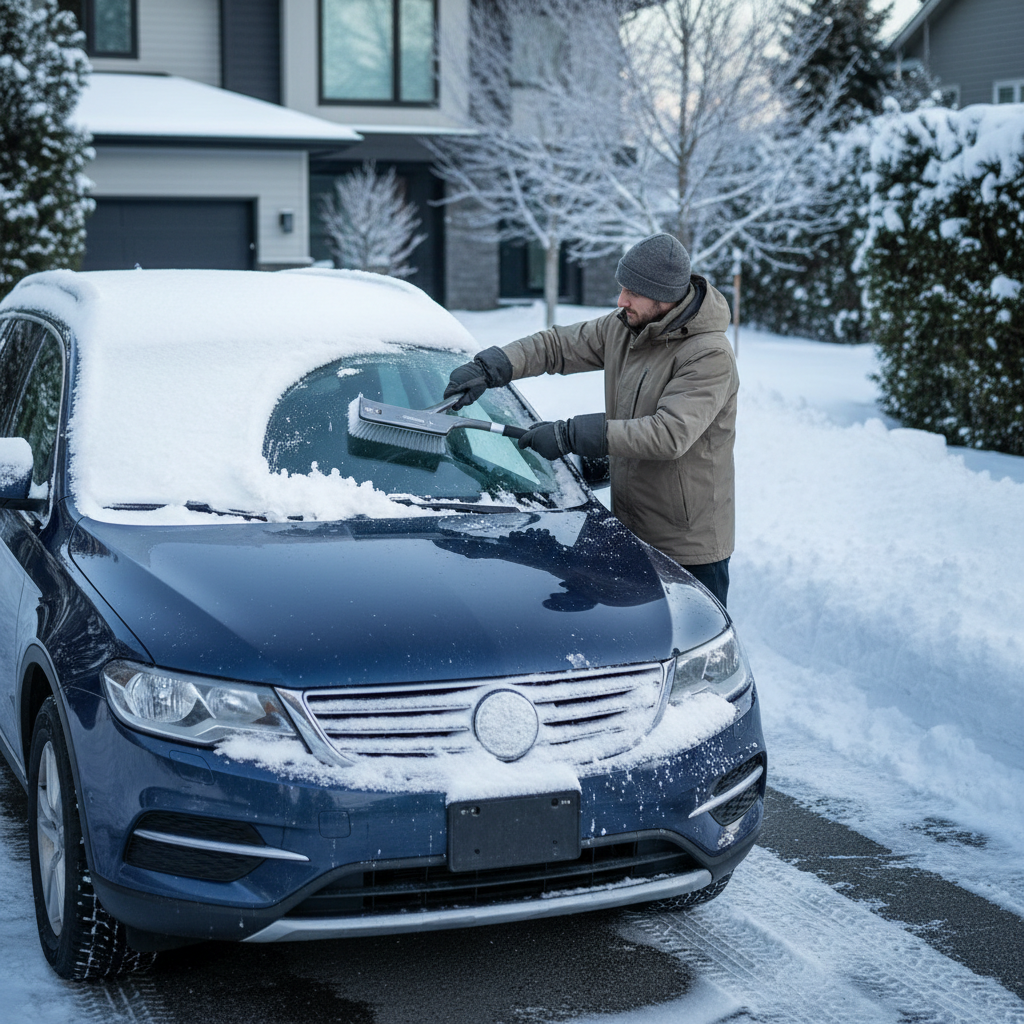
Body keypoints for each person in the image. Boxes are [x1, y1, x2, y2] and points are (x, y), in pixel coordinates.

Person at [443, 232, 738, 607]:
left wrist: (569, 435)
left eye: (632, 292)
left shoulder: (707, 355)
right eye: (622, 288)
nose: (621, 300)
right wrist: (492, 367)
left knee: (690, 650)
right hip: (630, 526)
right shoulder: (625, 328)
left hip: (686, 544)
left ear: (664, 297)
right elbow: (557, 346)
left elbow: (669, 435)